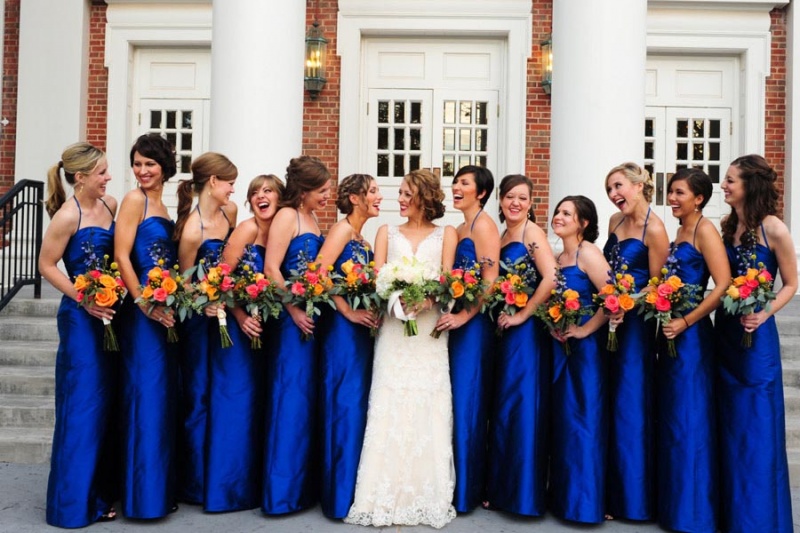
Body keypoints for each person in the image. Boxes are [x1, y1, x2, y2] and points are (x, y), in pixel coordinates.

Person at [345, 169, 458, 529]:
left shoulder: (447, 233)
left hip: (427, 331)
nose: (401, 199)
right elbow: (378, 277)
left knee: (429, 401)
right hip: (394, 328)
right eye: (401, 193)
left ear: (424, 196)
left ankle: (427, 492)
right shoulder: (385, 232)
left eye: (408, 193)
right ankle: (382, 492)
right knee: (389, 400)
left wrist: (425, 303)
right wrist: (396, 300)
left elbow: (447, 280)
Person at [716, 155, 796, 532]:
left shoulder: (774, 228)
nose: (724, 186)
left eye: (730, 180)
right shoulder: (726, 226)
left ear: (751, 184)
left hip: (757, 338)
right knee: (729, 425)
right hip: (726, 334)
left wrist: (765, 313)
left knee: (757, 427)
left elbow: (792, 284)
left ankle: (760, 521)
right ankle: (732, 515)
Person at [41, 143, 118, 527]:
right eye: (102, 172)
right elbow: (46, 264)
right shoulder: (66, 216)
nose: (108, 178)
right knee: (82, 407)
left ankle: (101, 493)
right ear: (80, 177)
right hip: (80, 320)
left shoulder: (110, 206)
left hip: (111, 315)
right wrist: (84, 298)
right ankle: (73, 506)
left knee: (105, 406)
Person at [205, 174, 283, 512]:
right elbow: (221, 277)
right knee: (235, 404)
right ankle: (227, 491)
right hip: (238, 329)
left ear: (281, 197)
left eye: (268, 191)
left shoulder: (280, 231)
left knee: (259, 405)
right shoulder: (247, 229)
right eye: (255, 192)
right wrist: (240, 317)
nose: (260, 197)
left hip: (267, 328)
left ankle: (253, 486)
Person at [657, 168, 728, 532]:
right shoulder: (680, 230)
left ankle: (695, 512)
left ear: (698, 198)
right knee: (673, 419)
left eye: (679, 193)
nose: (672, 198)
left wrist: (687, 322)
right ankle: (675, 505)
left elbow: (723, 284)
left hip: (692, 336)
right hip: (669, 332)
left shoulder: (705, 230)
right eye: (670, 192)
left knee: (690, 418)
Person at [114, 133, 179, 519]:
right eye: (137, 163)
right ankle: (142, 498)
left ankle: (157, 489)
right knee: (145, 398)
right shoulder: (135, 200)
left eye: (149, 164)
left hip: (163, 312)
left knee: (160, 400)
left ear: (164, 166)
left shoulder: (163, 204)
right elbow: (122, 256)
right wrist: (143, 303)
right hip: (141, 316)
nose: (142, 171)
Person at [262, 155, 331, 514]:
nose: (327, 195)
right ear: (303, 191)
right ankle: (281, 494)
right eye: (322, 190)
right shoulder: (287, 216)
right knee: (290, 399)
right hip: (291, 322)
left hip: (311, 318)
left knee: (305, 400)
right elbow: (272, 268)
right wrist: (293, 308)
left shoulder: (313, 218)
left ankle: (303, 489)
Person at [485, 174, 556, 516]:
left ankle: (523, 496)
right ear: (500, 200)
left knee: (522, 406)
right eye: (510, 196)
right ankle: (503, 489)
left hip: (524, 333)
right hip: (503, 328)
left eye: (522, 198)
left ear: (531, 203)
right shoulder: (501, 235)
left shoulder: (532, 233)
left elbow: (552, 276)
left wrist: (524, 313)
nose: (515, 203)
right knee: (505, 407)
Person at [602, 162, 669, 520]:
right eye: (610, 190)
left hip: (637, 328)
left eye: (618, 187)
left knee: (630, 403)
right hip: (610, 320)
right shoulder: (614, 223)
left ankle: (633, 499)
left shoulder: (655, 229)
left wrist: (628, 302)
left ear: (640, 185)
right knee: (610, 401)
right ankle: (609, 492)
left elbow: (658, 285)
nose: (614, 196)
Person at [173, 152, 238, 506]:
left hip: (228, 317)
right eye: (229, 182)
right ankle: (196, 483)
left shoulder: (230, 214)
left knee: (226, 395)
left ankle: (225, 475)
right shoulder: (191, 229)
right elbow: (183, 284)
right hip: (200, 323)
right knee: (199, 397)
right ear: (213, 182)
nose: (233, 189)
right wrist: (207, 301)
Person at [317, 174, 383, 518]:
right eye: (372, 191)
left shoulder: (364, 238)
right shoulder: (342, 230)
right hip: (343, 331)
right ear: (355, 198)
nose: (378, 197)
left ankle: (353, 490)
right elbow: (319, 270)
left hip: (360, 331)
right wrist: (347, 310)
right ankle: (337, 496)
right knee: (344, 404)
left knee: (356, 405)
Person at [434, 165, 499, 512]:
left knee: (469, 403)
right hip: (456, 322)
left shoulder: (485, 226)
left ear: (482, 192)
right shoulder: (460, 227)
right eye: (455, 182)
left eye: (464, 184)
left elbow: (489, 280)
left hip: (473, 325)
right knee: (455, 402)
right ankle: (455, 483)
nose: (456, 187)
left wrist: (464, 315)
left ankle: (468, 492)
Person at [548, 195, 610, 524]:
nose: (559, 216)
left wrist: (586, 330)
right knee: (566, 421)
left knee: (584, 420)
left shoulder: (588, 253)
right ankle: (565, 499)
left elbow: (614, 297)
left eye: (567, 213)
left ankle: (585, 505)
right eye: (558, 211)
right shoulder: (559, 255)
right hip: (561, 347)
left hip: (585, 352)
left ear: (583, 223)